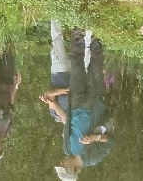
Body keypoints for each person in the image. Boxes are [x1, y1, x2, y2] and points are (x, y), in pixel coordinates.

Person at [49, 28, 115, 179]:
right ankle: (96, 38)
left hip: (75, 104)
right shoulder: (92, 158)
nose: (61, 162)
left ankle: (78, 36)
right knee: (95, 70)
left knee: (76, 67)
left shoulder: (67, 148)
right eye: (63, 166)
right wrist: (94, 138)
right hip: (93, 107)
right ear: (72, 170)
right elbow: (110, 142)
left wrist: (57, 107)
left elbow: (67, 125)